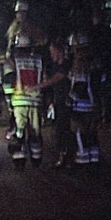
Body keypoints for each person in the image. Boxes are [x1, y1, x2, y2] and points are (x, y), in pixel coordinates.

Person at [8, 33, 45, 169]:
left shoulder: (14, 61)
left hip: (19, 101)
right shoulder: (39, 60)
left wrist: (8, 101)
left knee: (19, 131)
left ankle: (19, 160)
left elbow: (9, 81)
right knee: (35, 131)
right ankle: (36, 159)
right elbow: (44, 79)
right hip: (35, 101)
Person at [36, 38, 72, 168]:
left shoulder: (66, 65)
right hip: (58, 101)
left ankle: (66, 157)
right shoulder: (55, 65)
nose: (51, 55)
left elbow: (55, 79)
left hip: (66, 102)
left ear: (59, 51)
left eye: (53, 52)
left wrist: (37, 86)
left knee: (64, 130)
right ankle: (62, 156)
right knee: (58, 130)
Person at [66, 31, 100, 165]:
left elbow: (80, 86)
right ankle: (94, 161)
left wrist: (69, 100)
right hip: (93, 105)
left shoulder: (80, 64)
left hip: (81, 106)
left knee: (80, 133)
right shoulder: (94, 63)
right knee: (92, 134)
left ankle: (83, 161)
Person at [89, 7, 111, 129]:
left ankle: (101, 116)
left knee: (99, 91)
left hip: (101, 64)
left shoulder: (94, 32)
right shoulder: (108, 31)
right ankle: (103, 116)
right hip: (104, 64)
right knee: (105, 91)